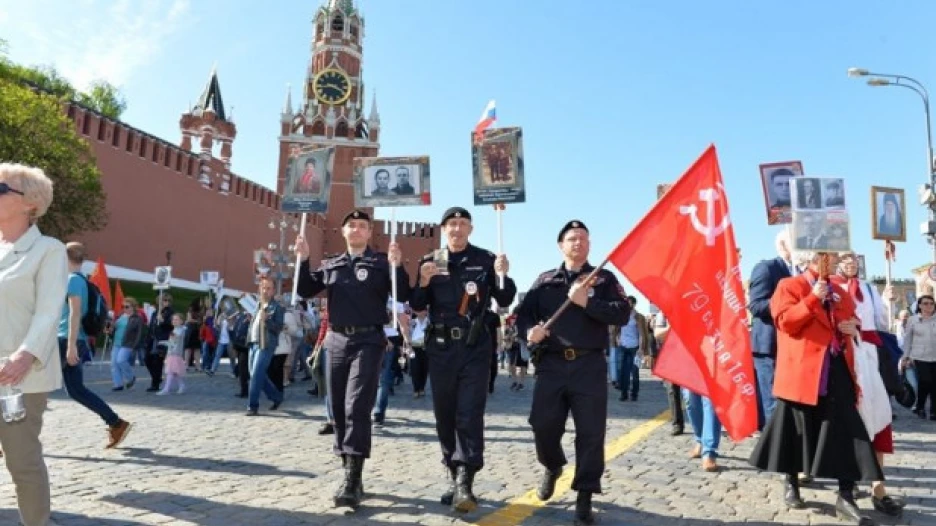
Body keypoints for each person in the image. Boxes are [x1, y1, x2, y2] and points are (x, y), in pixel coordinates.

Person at [749, 251, 883, 526]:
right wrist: (812, 299)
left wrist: (851, 326)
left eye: (834, 256)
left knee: (848, 429)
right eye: (828, 256)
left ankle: (846, 495)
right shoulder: (789, 285)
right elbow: (784, 321)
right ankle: (791, 482)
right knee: (796, 431)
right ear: (813, 258)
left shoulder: (838, 291)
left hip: (835, 368)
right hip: (801, 370)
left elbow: (853, 318)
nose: (834, 260)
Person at [515, 220, 629, 525]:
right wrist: (530, 332)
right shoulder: (544, 280)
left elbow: (622, 313)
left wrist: (588, 301)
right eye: (571, 238)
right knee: (542, 424)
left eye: (583, 238)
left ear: (590, 245)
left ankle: (585, 494)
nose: (577, 242)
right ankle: (552, 465)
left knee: (591, 433)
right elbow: (523, 316)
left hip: (589, 365)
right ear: (560, 245)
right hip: (551, 364)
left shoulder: (602, 279)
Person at [294, 209, 409, 509]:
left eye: (362, 226)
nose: (357, 230)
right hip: (336, 339)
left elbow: (404, 292)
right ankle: (349, 468)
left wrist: (398, 267)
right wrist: (303, 259)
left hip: (369, 340)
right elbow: (305, 288)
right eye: (351, 226)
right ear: (343, 232)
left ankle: (352, 477)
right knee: (339, 410)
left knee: (357, 405)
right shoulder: (332, 263)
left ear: (370, 233)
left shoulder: (382, 263)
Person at [410, 206, 515, 512]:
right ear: (444, 229)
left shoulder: (485, 260)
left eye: (462, 224)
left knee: (469, 412)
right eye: (451, 224)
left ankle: (466, 479)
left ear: (471, 229)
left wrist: (502, 274)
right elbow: (417, 304)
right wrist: (423, 282)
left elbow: (505, 299)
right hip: (441, 348)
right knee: (445, 414)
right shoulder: (430, 261)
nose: (456, 229)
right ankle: (454, 472)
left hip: (474, 347)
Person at [0, 162, 68, 526]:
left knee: (21, 461)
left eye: (1, 189)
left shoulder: (48, 250)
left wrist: (24, 356)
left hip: (19, 378)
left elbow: (48, 311)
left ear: (30, 204)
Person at [832, 252, 905, 517]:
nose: (851, 263)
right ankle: (845, 492)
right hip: (842, 357)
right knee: (849, 425)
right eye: (845, 258)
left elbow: (882, 324)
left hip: (870, 357)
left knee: (880, 420)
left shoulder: (868, 288)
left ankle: (879, 491)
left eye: (854, 259)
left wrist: (889, 302)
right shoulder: (828, 284)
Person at [60, 242, 133, 448]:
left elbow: (75, 313)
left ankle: (12, 440)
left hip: (66, 339)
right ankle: (115, 422)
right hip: (72, 339)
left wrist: (71, 345)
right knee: (75, 390)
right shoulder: (81, 279)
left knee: (30, 386)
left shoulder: (73, 280)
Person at [747, 230, 798, 429]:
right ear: (784, 246)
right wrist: (787, 304)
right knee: (774, 403)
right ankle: (775, 451)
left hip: (793, 345)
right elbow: (756, 305)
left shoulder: (801, 272)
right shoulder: (767, 268)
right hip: (769, 347)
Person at [245, 276, 286, 416]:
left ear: (273, 291)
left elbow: (278, 328)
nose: (265, 291)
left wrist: (267, 321)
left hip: (266, 344)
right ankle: (276, 397)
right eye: (263, 287)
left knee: (256, 374)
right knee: (256, 374)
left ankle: (252, 406)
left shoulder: (278, 307)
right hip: (254, 342)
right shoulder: (257, 304)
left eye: (269, 288)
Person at [158, 314, 188, 395]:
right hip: (171, 354)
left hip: (176, 354)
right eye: (173, 320)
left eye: (177, 319)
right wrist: (164, 343)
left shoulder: (181, 330)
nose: (174, 321)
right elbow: (171, 343)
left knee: (171, 372)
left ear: (181, 321)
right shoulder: (175, 330)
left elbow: (177, 338)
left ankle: (166, 389)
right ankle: (181, 386)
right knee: (174, 372)